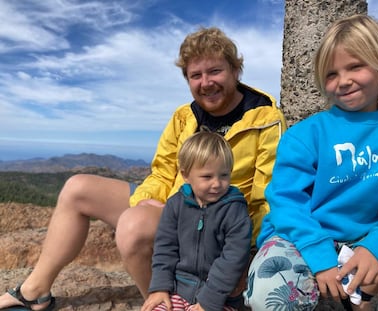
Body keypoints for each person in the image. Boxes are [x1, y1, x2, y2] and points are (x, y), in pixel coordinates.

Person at [0, 26, 286, 310]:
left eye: (215, 71)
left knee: (132, 227)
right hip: (176, 205)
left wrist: (248, 251)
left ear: (236, 70)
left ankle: (173, 303)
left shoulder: (264, 119)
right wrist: (144, 202)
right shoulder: (184, 117)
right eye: (195, 75)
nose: (206, 82)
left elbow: (268, 196)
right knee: (77, 188)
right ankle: (35, 292)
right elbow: (162, 172)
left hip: (220, 222)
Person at [244, 14, 378, 311]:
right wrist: (320, 260)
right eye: (331, 74)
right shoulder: (305, 135)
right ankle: (353, 293)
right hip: (305, 237)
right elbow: (286, 202)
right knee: (268, 292)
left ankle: (364, 293)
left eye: (355, 66)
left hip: (374, 235)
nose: (343, 81)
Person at [142, 130, 252, 311]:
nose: (217, 183)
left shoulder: (235, 210)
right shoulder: (176, 205)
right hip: (179, 289)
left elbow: (233, 259)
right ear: (186, 175)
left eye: (224, 175)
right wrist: (160, 288)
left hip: (220, 297)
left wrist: (209, 301)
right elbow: (165, 248)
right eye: (207, 177)